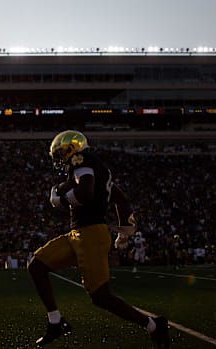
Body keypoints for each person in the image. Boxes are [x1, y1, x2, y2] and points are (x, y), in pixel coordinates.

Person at [27, 130, 170, 348]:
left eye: (61, 152)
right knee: (36, 265)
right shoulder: (98, 168)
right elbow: (121, 200)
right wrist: (124, 232)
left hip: (91, 234)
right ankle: (56, 323)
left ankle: (153, 326)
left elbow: (85, 193)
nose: (60, 158)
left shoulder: (81, 160)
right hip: (78, 234)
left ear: (72, 149)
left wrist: (60, 200)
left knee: (101, 297)